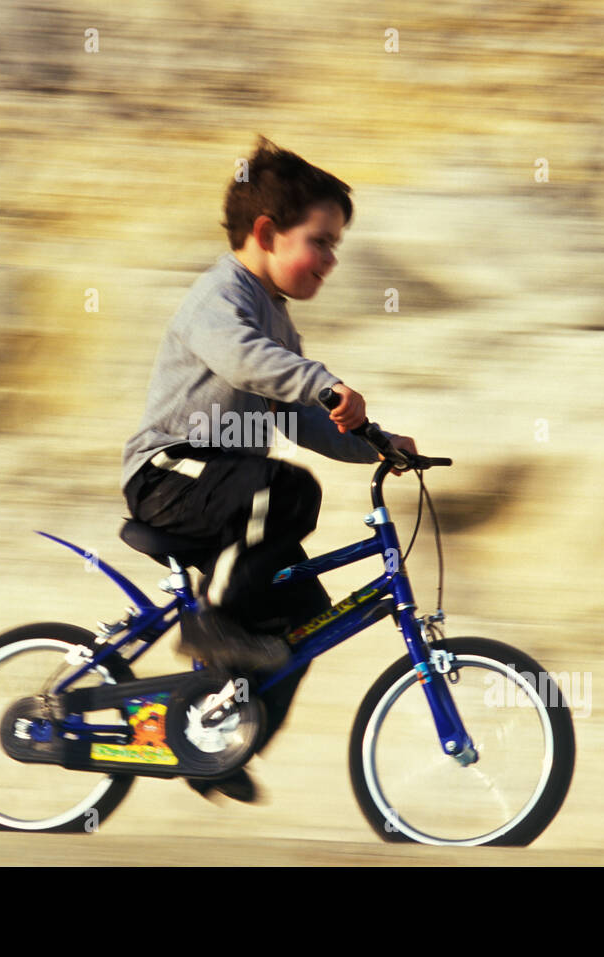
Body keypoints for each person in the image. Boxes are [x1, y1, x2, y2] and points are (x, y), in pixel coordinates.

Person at [119, 136, 416, 801]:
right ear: (265, 232)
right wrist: (324, 383)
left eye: (337, 246)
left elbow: (304, 419)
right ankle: (213, 621)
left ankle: (215, 744)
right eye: (321, 241)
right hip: (169, 473)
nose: (331, 260)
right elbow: (247, 361)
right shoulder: (219, 299)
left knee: (304, 617)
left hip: (222, 490)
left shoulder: (275, 319)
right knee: (283, 486)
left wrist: (379, 442)